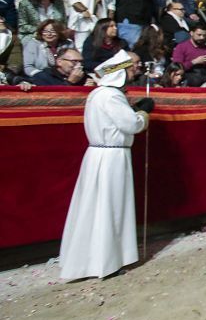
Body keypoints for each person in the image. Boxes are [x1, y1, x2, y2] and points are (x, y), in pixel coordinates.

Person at [58, 50, 153, 280]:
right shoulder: (110, 96)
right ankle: (107, 261)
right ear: (119, 73)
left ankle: (94, 259)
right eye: (130, 68)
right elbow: (130, 124)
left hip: (99, 156)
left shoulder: (98, 94)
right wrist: (142, 113)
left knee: (97, 207)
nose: (134, 71)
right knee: (109, 207)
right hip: (111, 158)